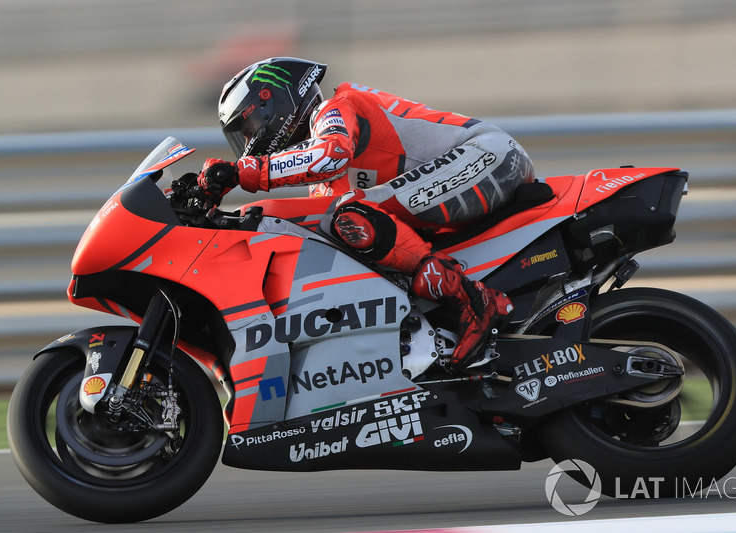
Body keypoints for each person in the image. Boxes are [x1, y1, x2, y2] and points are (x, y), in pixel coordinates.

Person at [198, 57, 535, 368]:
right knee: (346, 228)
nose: (249, 144)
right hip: (477, 168)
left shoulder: (335, 108)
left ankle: (474, 303)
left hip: (489, 155)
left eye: (248, 129)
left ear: (273, 104)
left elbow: (330, 155)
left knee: (350, 215)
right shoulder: (324, 184)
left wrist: (242, 173)